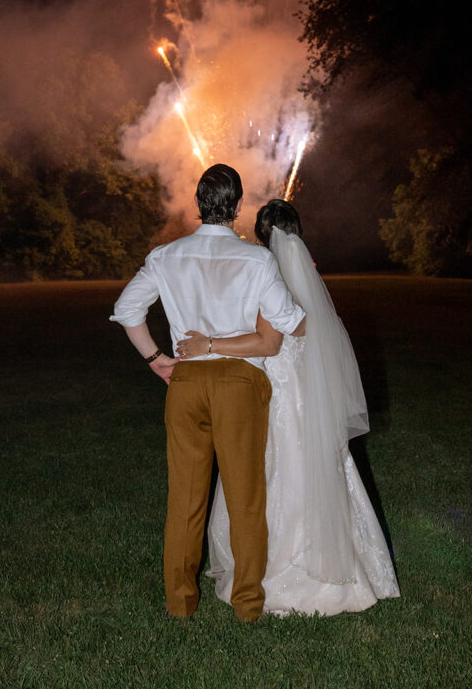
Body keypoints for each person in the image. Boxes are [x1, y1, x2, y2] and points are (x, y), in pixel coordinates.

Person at [177, 198, 400, 616]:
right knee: (314, 467)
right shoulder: (308, 275)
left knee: (266, 472)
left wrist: (209, 343)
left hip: (272, 391)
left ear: (261, 235)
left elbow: (267, 339)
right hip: (306, 397)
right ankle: (341, 566)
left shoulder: (264, 271)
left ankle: (272, 569)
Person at [110, 167, 305, 622]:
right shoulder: (257, 261)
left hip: (187, 385)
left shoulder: (166, 256)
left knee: (185, 498)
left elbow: (126, 310)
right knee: (245, 497)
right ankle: (247, 606)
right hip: (239, 384)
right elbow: (289, 321)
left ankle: (180, 604)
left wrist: (156, 358)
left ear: (199, 203)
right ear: (237, 206)